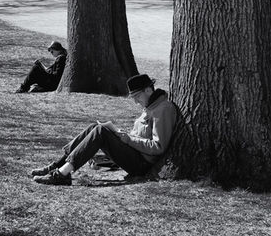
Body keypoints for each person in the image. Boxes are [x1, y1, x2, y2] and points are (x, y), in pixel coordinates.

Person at [31, 73, 177, 186]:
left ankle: (62, 175)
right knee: (94, 127)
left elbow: (159, 147)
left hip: (141, 163)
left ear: (148, 90)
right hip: (134, 153)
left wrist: (129, 139)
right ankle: (58, 165)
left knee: (100, 131)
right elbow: (139, 135)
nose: (135, 101)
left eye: (137, 96)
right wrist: (122, 134)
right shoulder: (150, 106)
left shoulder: (162, 109)